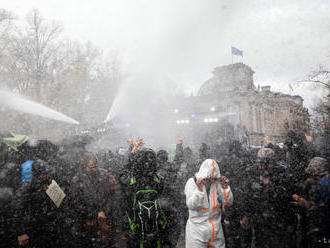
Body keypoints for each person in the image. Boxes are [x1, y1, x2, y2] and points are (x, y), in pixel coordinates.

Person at [185, 159, 233, 248]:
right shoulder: (192, 183)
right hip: (197, 232)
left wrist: (225, 188)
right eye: (208, 179)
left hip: (216, 232)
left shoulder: (217, 184)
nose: (211, 181)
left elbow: (228, 202)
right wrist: (199, 191)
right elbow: (191, 205)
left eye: (213, 179)